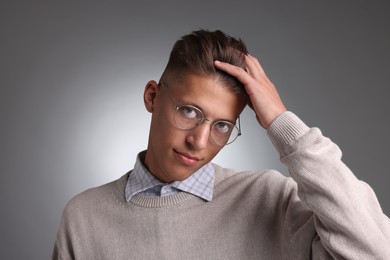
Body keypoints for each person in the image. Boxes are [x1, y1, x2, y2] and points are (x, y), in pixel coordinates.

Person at [52, 29, 390, 259]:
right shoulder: (84, 217)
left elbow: (376, 250)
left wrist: (282, 123)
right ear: (152, 97)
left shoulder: (271, 201)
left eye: (222, 126)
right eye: (188, 111)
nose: (199, 141)